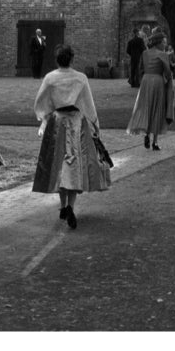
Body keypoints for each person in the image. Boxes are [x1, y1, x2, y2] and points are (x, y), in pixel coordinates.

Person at [32, 44, 110, 229]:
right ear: (72, 59)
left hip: (58, 123)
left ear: (57, 59)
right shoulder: (80, 78)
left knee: (59, 164)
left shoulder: (50, 78)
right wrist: (95, 125)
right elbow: (88, 104)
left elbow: (41, 102)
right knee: (74, 164)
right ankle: (71, 207)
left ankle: (62, 205)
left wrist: (43, 118)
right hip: (75, 122)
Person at [126, 29, 174, 150]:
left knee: (146, 107)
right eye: (163, 42)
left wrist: (144, 78)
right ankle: (155, 142)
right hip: (158, 82)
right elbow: (168, 72)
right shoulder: (163, 55)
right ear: (158, 42)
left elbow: (140, 68)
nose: (165, 44)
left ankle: (146, 134)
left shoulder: (145, 53)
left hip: (146, 81)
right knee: (157, 108)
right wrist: (168, 79)